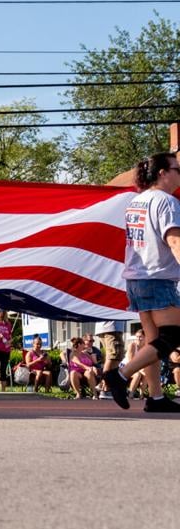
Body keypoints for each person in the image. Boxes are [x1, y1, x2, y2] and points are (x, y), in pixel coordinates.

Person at [103, 151, 180, 412]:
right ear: (162, 173)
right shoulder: (167, 202)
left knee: (153, 341)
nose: (179, 174)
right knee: (172, 336)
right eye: (176, 169)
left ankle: (155, 398)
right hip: (157, 278)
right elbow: (174, 241)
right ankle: (120, 375)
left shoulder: (138, 202)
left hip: (137, 277)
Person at [92, 321, 124, 399]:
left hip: (107, 327)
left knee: (113, 357)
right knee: (113, 357)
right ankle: (105, 387)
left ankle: (105, 386)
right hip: (111, 327)